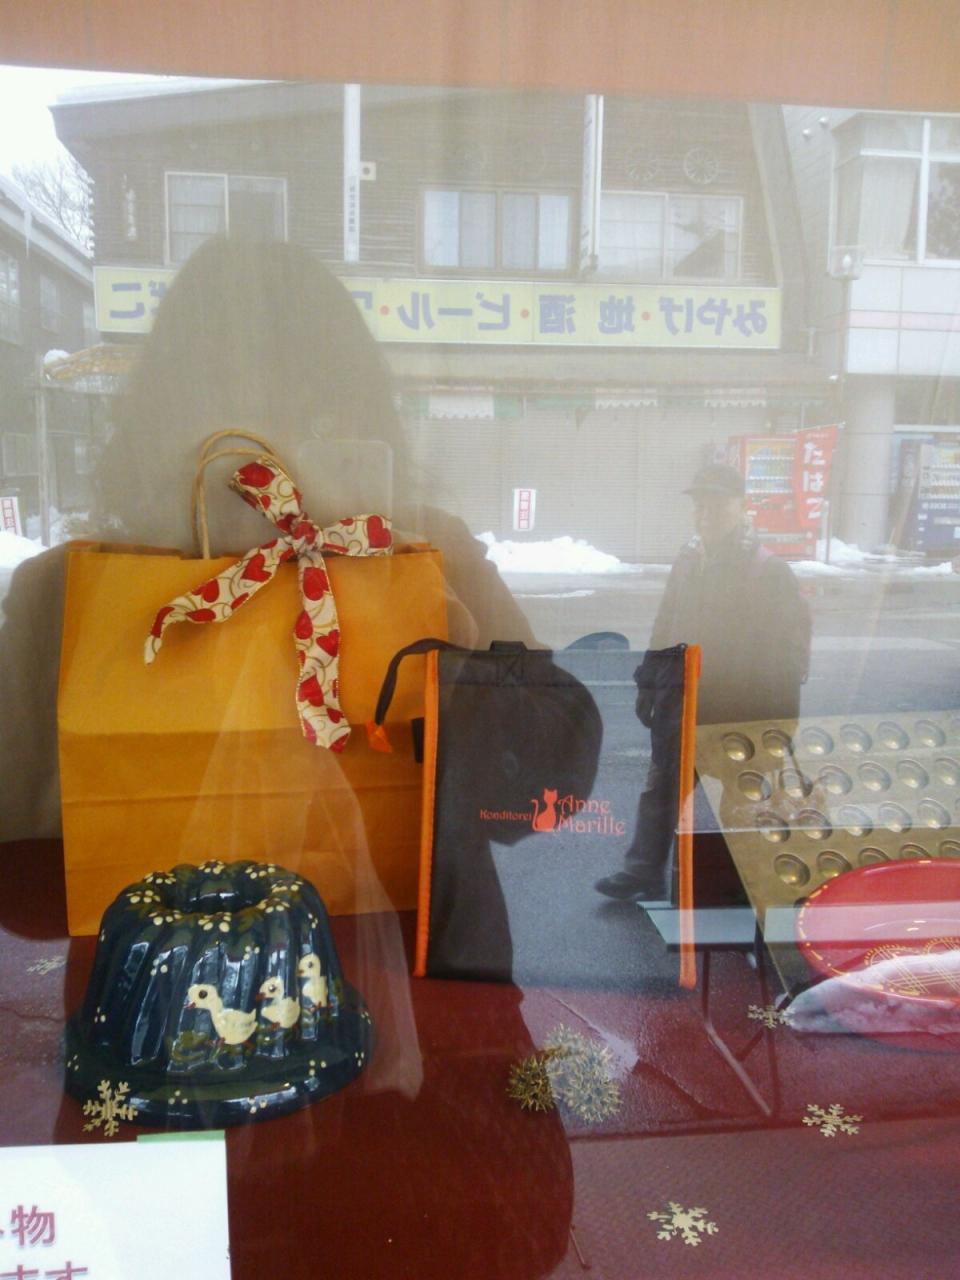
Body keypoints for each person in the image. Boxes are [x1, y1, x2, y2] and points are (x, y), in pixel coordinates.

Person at [595, 461, 811, 900]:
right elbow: (666, 625)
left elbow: (789, 656)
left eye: (717, 504)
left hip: (739, 709)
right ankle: (643, 872)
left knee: (742, 798)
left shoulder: (767, 571)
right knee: (661, 789)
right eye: (700, 504)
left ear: (741, 506)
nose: (706, 513)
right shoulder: (689, 559)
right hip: (684, 702)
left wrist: (780, 725)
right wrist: (649, 681)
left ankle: (746, 883)